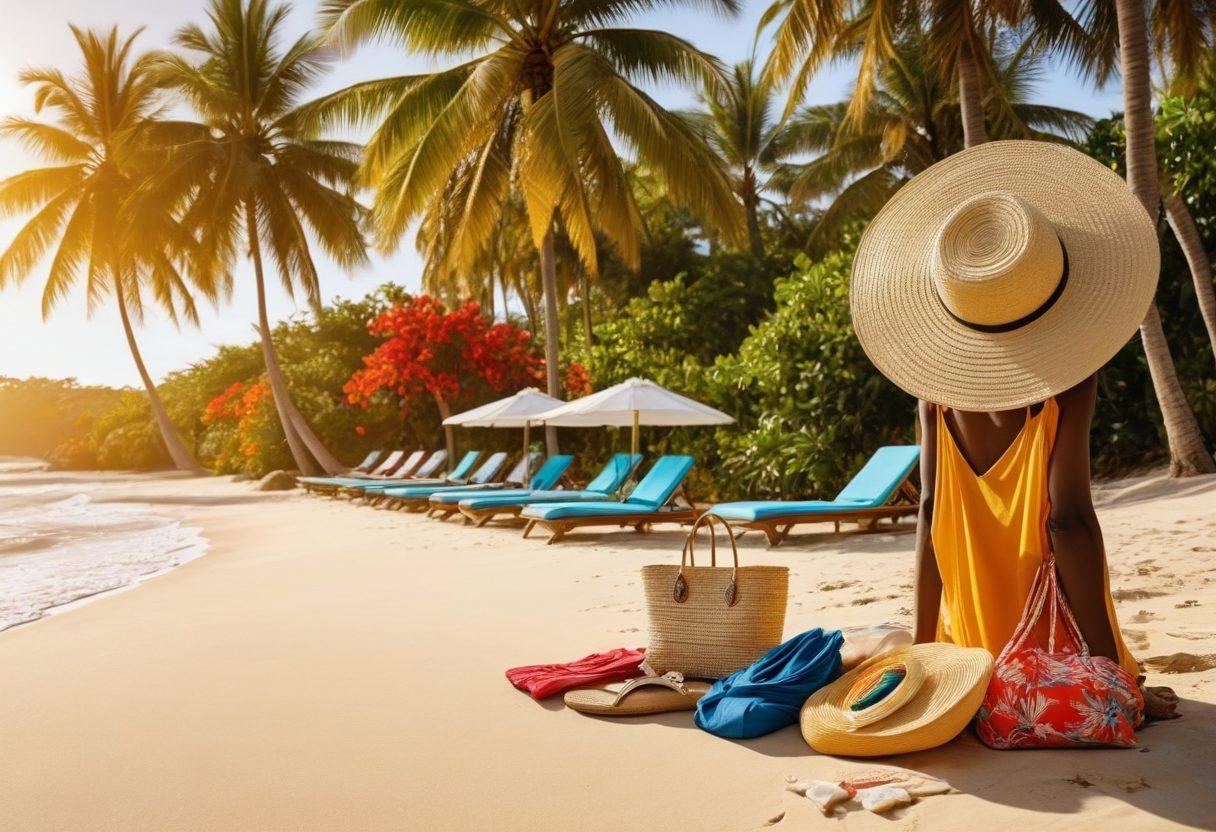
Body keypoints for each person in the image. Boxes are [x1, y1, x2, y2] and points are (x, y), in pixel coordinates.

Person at [848, 140, 1183, 720]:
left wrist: (929, 652)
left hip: (973, 654)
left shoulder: (935, 398)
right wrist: (1117, 684)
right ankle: (1105, 672)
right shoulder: (1067, 386)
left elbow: (930, 513)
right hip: (1051, 655)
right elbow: (1068, 521)